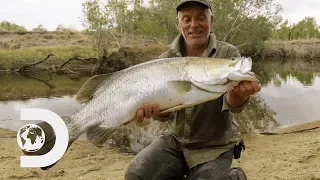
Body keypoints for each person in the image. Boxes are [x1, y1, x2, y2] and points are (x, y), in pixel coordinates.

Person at [124, 0, 261, 179]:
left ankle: (235, 176)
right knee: (136, 175)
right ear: (179, 23)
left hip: (215, 145)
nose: (193, 25)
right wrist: (154, 110)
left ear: (211, 22)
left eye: (201, 18)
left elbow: (235, 105)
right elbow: (165, 114)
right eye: (186, 19)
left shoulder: (228, 54)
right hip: (175, 140)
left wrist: (239, 94)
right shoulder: (166, 59)